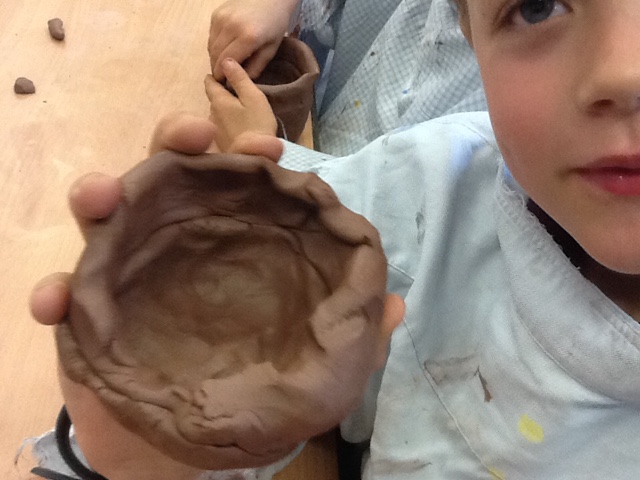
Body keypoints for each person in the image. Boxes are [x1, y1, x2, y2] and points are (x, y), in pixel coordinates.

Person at [30, 0, 640, 478]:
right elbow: (262, 405)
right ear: (469, 33)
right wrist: (148, 456)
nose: (623, 73)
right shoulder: (427, 192)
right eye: (537, 5)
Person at [209, 0, 487, 158]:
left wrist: (271, 156)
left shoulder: (484, 120)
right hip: (323, 127)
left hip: (335, 203)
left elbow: (407, 215)